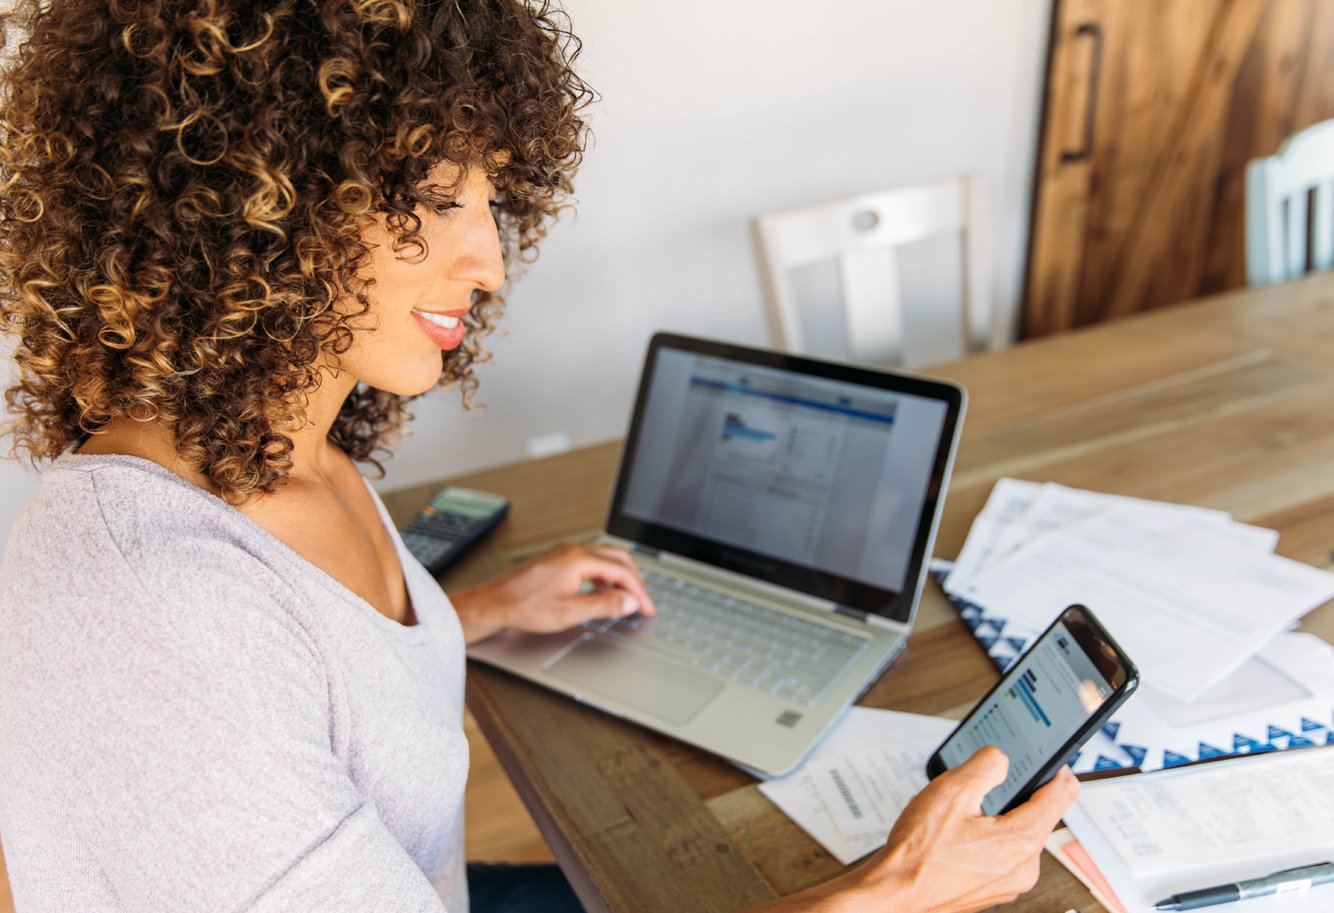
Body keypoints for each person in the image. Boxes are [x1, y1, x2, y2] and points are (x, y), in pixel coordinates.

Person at [0, 1, 1078, 911]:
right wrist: (894, 889)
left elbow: (293, 687)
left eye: (488, 198)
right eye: (432, 199)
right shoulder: (155, 608)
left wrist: (476, 613)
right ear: (246, 201)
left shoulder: (278, 450)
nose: (489, 263)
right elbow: (216, 686)